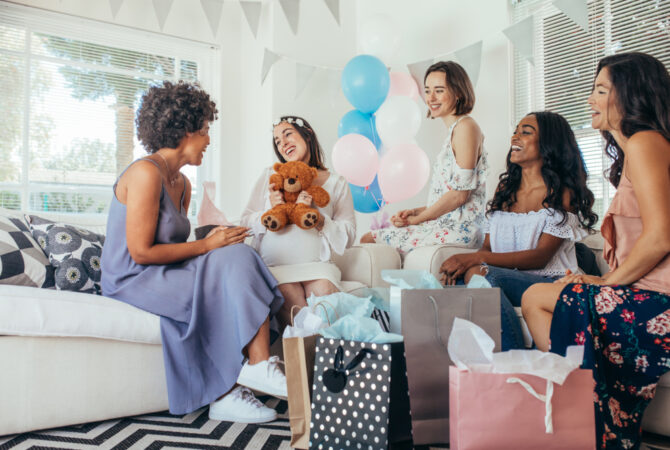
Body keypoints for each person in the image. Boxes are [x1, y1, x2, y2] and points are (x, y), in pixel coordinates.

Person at [101, 81, 286, 424]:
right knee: (218, 278)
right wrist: (206, 246)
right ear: (185, 131)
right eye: (204, 130)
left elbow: (174, 240)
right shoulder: (144, 173)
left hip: (165, 270)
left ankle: (259, 367)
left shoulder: (183, 183)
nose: (209, 140)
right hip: (131, 277)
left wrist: (214, 238)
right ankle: (225, 392)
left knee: (238, 255)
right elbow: (140, 252)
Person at [522, 52, 670, 448]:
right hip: (645, 292)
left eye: (601, 90)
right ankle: (578, 417)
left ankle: (578, 419)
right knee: (539, 295)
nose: (590, 99)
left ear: (631, 95)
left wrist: (605, 282)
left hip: (661, 300)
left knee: (538, 296)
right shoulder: (634, 150)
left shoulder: (645, 143)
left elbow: (660, 238)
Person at [439, 111, 598, 350]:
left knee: (484, 275)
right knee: (463, 281)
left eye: (526, 132)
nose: (515, 137)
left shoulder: (563, 193)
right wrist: (471, 263)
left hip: (549, 281)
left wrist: (475, 259)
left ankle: (512, 357)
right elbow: (488, 248)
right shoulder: (505, 189)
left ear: (548, 143)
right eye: (516, 131)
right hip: (509, 278)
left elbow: (541, 256)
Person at [360, 61, 487, 255]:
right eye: (427, 91)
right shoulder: (456, 130)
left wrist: (419, 220)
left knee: (369, 239)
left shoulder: (466, 128)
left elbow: (461, 195)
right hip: (446, 225)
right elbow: (449, 195)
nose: (431, 98)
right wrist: (416, 212)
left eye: (439, 90)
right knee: (372, 238)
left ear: (458, 92)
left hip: (460, 230)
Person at [241, 115, 356, 328]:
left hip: (318, 266)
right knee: (287, 296)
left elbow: (348, 234)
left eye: (287, 135)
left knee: (324, 294)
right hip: (278, 266)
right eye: (277, 141)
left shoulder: (336, 183)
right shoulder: (270, 176)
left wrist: (320, 220)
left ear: (307, 134)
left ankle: (322, 355)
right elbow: (245, 222)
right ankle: (316, 357)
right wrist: (269, 211)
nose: (283, 144)